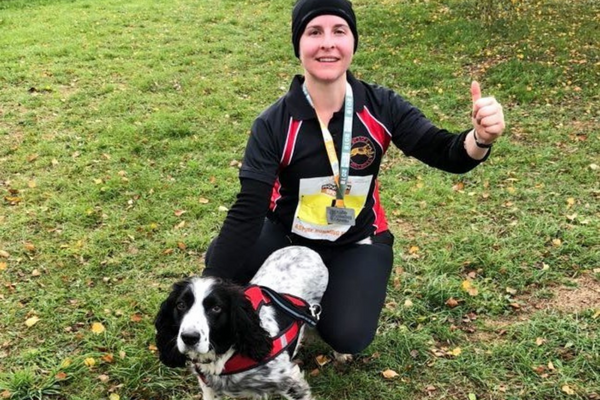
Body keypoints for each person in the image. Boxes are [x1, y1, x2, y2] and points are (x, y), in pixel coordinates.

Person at [203, 0, 505, 356]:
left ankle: (325, 303)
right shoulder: (273, 124)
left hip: (356, 240)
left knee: (348, 336)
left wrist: (480, 138)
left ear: (353, 42)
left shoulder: (382, 106)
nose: (327, 43)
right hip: (288, 236)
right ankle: (287, 291)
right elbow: (248, 209)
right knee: (224, 268)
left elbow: (445, 152)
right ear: (298, 45)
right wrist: (206, 290)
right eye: (314, 32)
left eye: (339, 31)